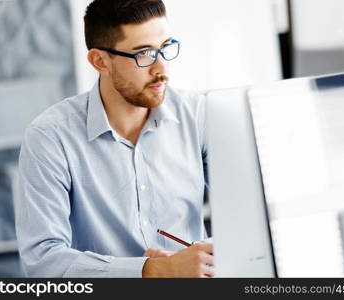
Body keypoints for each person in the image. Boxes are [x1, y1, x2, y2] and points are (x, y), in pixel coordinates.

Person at [15, 0, 213, 278]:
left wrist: (203, 258)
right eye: (143, 54)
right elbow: (43, 262)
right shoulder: (50, 137)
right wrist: (154, 271)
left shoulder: (197, 113)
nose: (161, 69)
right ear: (100, 61)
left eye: (165, 48)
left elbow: (248, 214)